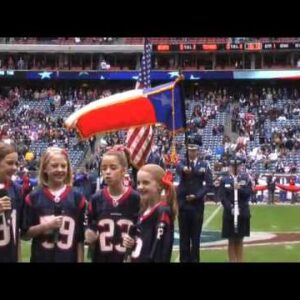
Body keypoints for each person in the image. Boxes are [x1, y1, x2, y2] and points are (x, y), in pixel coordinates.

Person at [21, 147, 86, 262]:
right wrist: (46, 226)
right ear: (45, 168)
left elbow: (80, 239)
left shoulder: (77, 197)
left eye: (63, 166)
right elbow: (25, 234)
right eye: (54, 165)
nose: (60, 169)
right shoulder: (33, 198)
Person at [85, 146, 140, 262]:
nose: (108, 172)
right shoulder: (95, 199)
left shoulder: (136, 199)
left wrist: (134, 240)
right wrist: (89, 234)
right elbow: (90, 227)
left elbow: (142, 231)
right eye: (104, 168)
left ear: (124, 170)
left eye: (113, 168)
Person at [123, 164, 177, 262]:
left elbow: (160, 250)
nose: (140, 187)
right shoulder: (143, 210)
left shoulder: (162, 212)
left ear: (160, 185)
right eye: (138, 183)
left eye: (146, 183)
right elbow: (146, 243)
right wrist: (133, 243)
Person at [176, 144, 213, 262]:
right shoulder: (182, 162)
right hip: (183, 205)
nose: (191, 153)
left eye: (194, 150)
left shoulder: (204, 165)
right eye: (189, 150)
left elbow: (209, 184)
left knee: (195, 239)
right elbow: (178, 167)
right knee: (184, 238)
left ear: (198, 151)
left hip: (196, 206)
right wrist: (184, 169)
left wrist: (197, 196)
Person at [219, 157, 252, 262]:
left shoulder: (246, 178)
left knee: (240, 240)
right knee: (231, 240)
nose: (235, 168)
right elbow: (223, 197)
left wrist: (240, 189)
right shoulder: (224, 180)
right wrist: (231, 208)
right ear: (229, 167)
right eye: (233, 166)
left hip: (242, 213)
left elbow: (248, 194)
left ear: (241, 166)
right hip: (230, 214)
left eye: (237, 166)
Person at [0, 141, 23, 262]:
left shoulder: (17, 190)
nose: (14, 167)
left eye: (16, 163)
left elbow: (16, 233)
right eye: (9, 163)